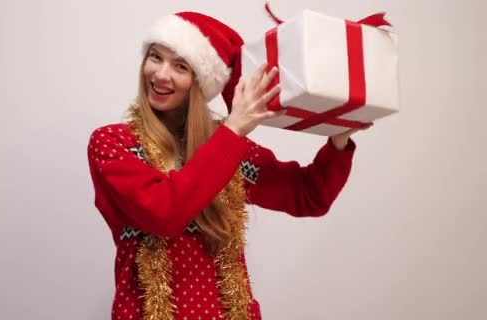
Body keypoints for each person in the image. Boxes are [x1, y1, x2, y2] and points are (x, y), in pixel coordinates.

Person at [88, 11, 367, 320]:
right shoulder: (115, 143)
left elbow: (308, 195)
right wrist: (233, 131)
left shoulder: (231, 150)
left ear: (199, 82)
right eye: (156, 57)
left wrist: (339, 137)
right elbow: (163, 213)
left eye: (180, 66)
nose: (161, 74)